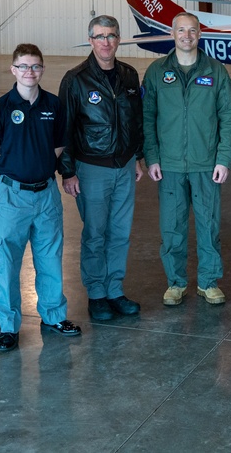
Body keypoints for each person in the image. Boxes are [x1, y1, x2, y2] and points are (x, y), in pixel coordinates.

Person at [0, 44, 81, 352]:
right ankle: (8, 327)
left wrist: (38, 168)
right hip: (13, 197)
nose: (29, 72)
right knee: (8, 262)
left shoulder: (53, 104)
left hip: (47, 194)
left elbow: (59, 145)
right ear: (13, 70)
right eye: (23, 66)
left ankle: (53, 316)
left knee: (50, 258)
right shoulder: (0, 108)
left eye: (35, 66)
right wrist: (12, 177)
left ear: (42, 70)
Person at [142, 12, 231, 307]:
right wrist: (152, 157)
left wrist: (223, 159)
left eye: (192, 30)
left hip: (206, 164)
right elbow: (147, 117)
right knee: (172, 226)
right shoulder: (157, 71)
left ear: (200, 34)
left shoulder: (216, 71)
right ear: (172, 34)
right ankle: (176, 282)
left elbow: (229, 116)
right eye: (181, 30)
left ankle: (209, 283)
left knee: (209, 225)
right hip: (169, 164)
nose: (187, 35)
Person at [58, 16, 144, 322]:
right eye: (99, 36)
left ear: (119, 39)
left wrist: (139, 156)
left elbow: (137, 119)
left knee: (120, 233)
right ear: (90, 40)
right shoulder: (76, 79)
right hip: (91, 167)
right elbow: (64, 128)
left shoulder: (130, 75)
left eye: (111, 36)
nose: (105, 41)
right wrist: (67, 170)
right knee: (95, 233)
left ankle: (115, 290)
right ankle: (96, 294)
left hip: (125, 165)